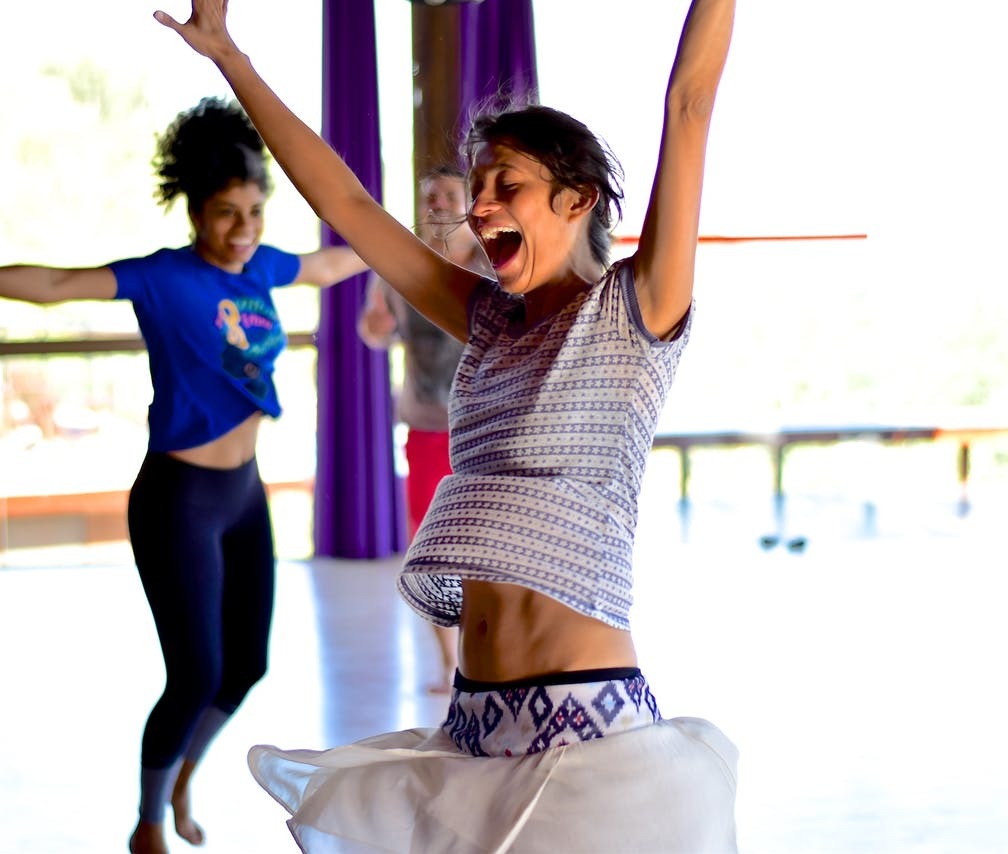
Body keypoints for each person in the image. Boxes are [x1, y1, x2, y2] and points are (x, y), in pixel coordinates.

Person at [157, 0, 739, 849]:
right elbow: (351, 206)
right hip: (470, 737)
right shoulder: (491, 320)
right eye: (478, 191)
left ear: (577, 199)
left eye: (510, 186)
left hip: (588, 739)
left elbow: (688, 101)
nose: (484, 207)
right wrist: (229, 58)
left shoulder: (638, 308)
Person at [0, 96, 368, 854]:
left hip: (244, 494)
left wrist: (402, 244)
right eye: (223, 214)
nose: (241, 230)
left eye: (253, 211)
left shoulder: (262, 266)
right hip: (179, 499)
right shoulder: (162, 278)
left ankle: (182, 777)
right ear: (193, 211)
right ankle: (148, 820)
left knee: (246, 667)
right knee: (195, 673)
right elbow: (53, 286)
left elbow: (334, 262)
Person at [357, 165, 487, 694]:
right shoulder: (399, 266)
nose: (437, 202)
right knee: (433, 550)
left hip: (485, 427)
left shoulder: (494, 263)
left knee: (485, 549)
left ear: (469, 201)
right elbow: (371, 331)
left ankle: (487, 658)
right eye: (430, 195)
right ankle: (449, 664)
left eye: (448, 194)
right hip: (429, 428)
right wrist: (377, 325)